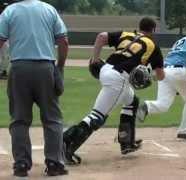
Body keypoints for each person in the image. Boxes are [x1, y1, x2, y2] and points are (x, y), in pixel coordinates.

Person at [63, 17, 165, 165]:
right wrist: (150, 77)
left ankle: (126, 142)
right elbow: (161, 75)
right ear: (153, 30)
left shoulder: (127, 34)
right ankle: (66, 144)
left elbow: (101, 37)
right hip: (119, 78)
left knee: (132, 101)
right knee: (97, 116)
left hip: (106, 69)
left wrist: (95, 59)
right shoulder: (153, 47)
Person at [0, 0, 69, 177]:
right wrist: (59, 67)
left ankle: (21, 164)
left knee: (19, 119)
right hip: (45, 67)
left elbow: (0, 40)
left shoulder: (10, 11)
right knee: (52, 118)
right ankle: (54, 163)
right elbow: (63, 41)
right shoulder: (49, 9)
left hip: (19, 68)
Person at [135, 23, 186, 141]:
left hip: (164, 71)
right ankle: (184, 131)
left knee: (163, 105)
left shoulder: (181, 40)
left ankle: (145, 106)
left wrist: (176, 86)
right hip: (179, 71)